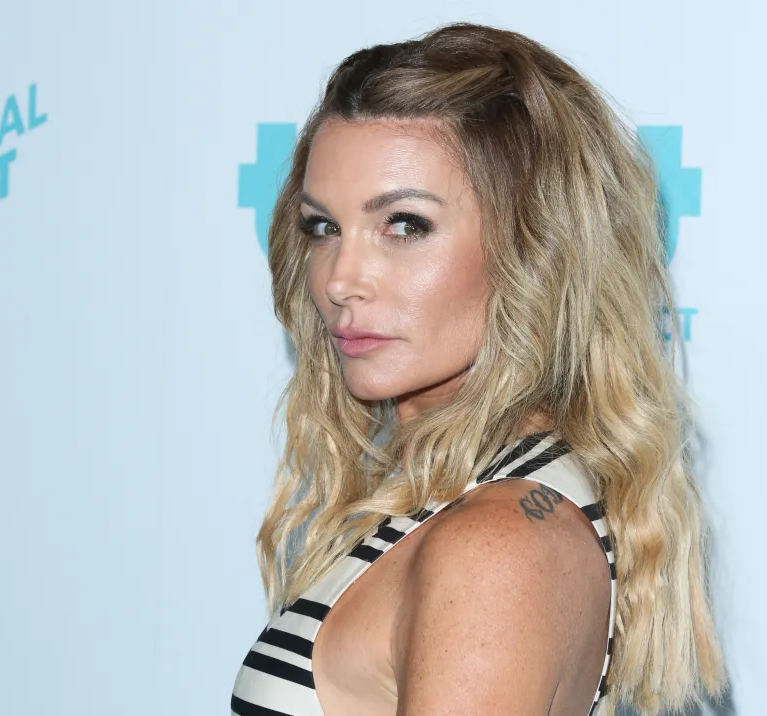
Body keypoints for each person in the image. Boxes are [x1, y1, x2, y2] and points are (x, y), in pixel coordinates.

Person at [231, 21, 725, 716]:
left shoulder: (497, 544)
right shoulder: (473, 502)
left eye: (405, 225)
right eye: (323, 227)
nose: (340, 279)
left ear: (535, 248)